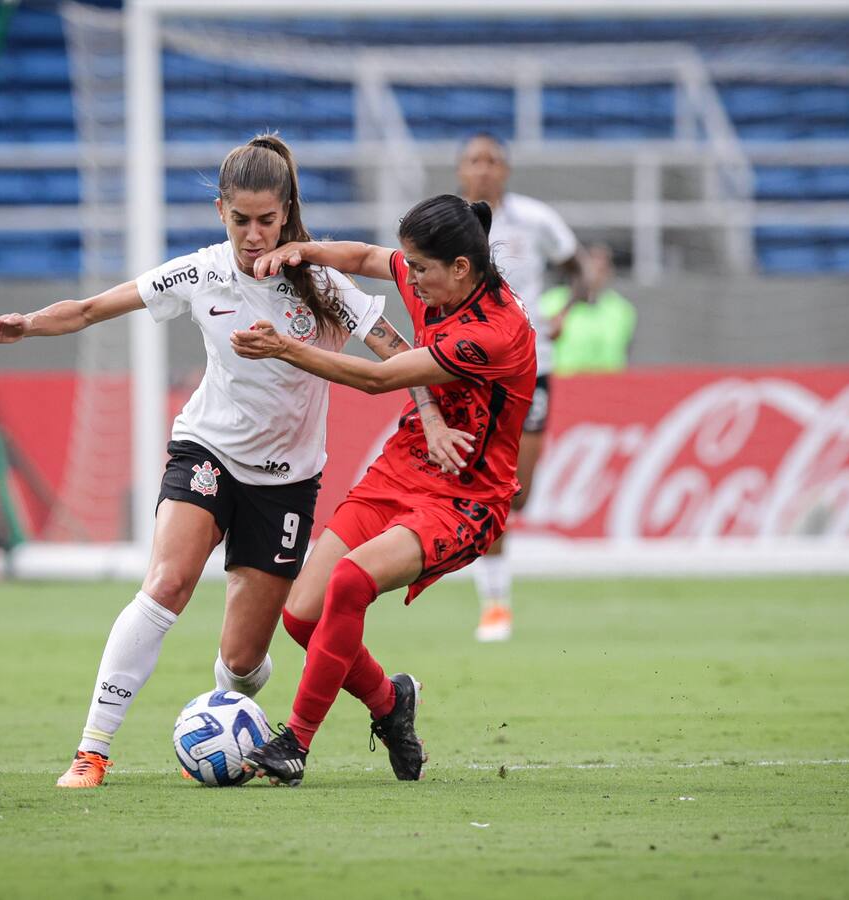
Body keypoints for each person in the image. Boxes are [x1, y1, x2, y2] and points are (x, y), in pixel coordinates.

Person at [0, 134, 465, 789]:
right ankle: (92, 750)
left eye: (268, 220)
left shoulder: (322, 283)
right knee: (168, 584)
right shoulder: (201, 272)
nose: (254, 235)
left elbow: (396, 351)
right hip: (206, 451)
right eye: (241, 221)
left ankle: (234, 710)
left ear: (287, 212)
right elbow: (96, 308)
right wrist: (28, 323)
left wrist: (431, 418)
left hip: (286, 483)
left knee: (241, 661)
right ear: (220, 212)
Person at [230, 193, 537, 785]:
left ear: (461, 269)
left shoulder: (495, 334)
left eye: (420, 270)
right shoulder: (436, 277)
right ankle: (390, 705)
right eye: (412, 266)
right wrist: (304, 248)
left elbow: (376, 378)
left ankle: (294, 743)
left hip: (465, 499)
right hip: (403, 467)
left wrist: (285, 348)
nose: (410, 279)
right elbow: (370, 256)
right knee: (301, 618)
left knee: (349, 581)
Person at [457, 132, 591, 643]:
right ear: (461, 171)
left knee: (519, 493)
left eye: (492, 160)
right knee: (487, 484)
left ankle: (489, 581)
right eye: (474, 160)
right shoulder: (450, 224)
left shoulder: (535, 220)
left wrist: (566, 311)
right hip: (473, 367)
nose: (484, 168)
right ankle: (495, 605)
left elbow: (579, 267)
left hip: (533, 365)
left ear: (505, 170)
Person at [542, 244, 636, 375]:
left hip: (609, 386)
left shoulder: (622, 310)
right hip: (565, 385)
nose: (594, 275)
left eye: (601, 269)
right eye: (590, 268)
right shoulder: (550, 304)